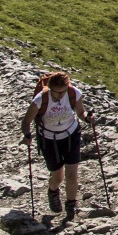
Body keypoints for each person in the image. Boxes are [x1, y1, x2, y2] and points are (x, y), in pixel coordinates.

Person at [22, 71, 94, 218]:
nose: (60, 96)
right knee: (58, 176)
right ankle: (53, 190)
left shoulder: (74, 93)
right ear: (50, 88)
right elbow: (26, 121)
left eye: (63, 92)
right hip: (49, 139)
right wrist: (27, 136)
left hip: (71, 135)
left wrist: (87, 118)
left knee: (72, 174)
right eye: (57, 92)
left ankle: (71, 205)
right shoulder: (40, 99)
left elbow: (80, 112)